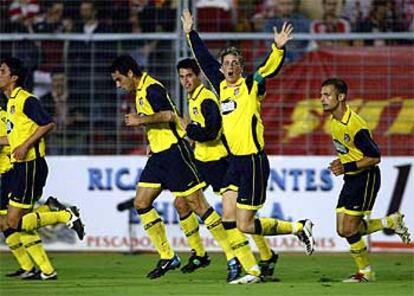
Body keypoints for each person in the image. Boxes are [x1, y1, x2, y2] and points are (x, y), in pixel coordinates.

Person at [182, 9, 315, 284]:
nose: (230, 66)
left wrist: (278, 48)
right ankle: (252, 269)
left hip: (254, 161)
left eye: (235, 63)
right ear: (222, 68)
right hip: (235, 163)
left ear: (241, 67)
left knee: (244, 223)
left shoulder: (251, 86)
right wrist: (190, 33)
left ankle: (298, 227)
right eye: (226, 63)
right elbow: (204, 61)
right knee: (228, 217)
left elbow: (268, 68)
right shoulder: (221, 86)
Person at [110, 55, 234, 281]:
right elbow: (164, 121)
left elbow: (168, 114)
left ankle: (232, 255)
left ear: (129, 73)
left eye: (119, 79)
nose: (118, 85)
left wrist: (141, 120)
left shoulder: (151, 87)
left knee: (197, 204)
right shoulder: (140, 92)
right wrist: (152, 138)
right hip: (158, 156)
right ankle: (168, 256)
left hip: (174, 154)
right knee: (141, 202)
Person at [175, 58, 279, 281]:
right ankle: (201, 253)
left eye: (189, 76)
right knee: (182, 201)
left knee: (236, 217)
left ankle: (240, 258)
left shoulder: (208, 98)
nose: (186, 81)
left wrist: (191, 131)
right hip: (202, 160)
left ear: (199, 76)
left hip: (220, 161)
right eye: (182, 77)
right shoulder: (192, 97)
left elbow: (212, 132)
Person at [0, 57, 85, 280]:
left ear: (14, 78)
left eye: (2, 71)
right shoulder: (10, 103)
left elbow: (47, 123)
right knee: (16, 221)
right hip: (21, 166)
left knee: (13, 222)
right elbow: (14, 135)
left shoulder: (26, 100)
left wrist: (25, 145)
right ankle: (44, 268)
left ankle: (64, 215)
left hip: (31, 165)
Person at [320, 78, 411, 282]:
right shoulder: (335, 121)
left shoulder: (354, 124)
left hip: (365, 177)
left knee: (349, 229)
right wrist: (342, 161)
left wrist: (346, 166)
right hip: (351, 178)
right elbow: (352, 151)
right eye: (321, 95)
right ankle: (390, 221)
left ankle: (366, 272)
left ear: (341, 97)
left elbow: (374, 156)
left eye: (327, 95)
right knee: (342, 229)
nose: (322, 99)